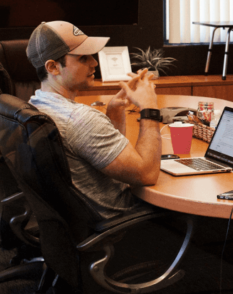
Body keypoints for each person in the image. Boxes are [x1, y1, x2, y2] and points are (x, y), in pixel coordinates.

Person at [26, 20, 161, 219]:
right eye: (83, 58)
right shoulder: (80, 119)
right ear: (53, 67)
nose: (94, 63)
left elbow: (103, 155)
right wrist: (149, 108)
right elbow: (146, 174)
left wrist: (114, 111)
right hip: (120, 221)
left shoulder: (36, 103)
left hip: (77, 220)